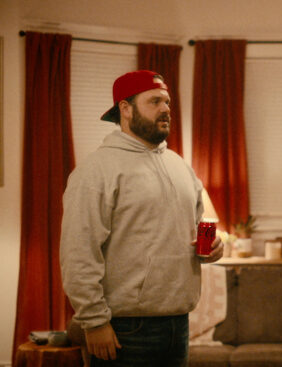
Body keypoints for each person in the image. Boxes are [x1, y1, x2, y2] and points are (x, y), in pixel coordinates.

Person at [60, 70, 223, 366]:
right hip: (125, 329)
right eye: (155, 101)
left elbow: (198, 230)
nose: (166, 110)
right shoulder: (96, 171)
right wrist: (94, 322)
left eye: (168, 103)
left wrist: (214, 248)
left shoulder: (180, 166)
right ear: (125, 109)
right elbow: (78, 251)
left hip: (178, 324)